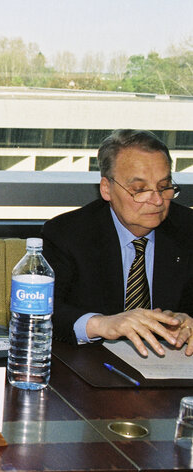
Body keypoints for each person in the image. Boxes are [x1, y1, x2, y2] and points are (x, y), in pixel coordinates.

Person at [42, 129, 193, 357]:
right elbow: (42, 310)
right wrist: (101, 324)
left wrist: (188, 321)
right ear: (106, 189)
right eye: (139, 190)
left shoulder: (188, 229)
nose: (157, 200)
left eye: (164, 187)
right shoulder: (68, 233)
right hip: (92, 370)